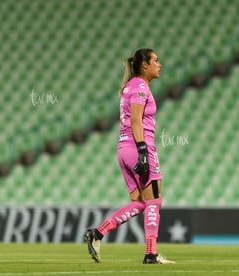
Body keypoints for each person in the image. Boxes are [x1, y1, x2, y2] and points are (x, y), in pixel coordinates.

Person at [84, 48, 175, 264]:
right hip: (138, 148)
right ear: (145, 65)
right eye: (156, 60)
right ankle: (150, 253)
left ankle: (97, 233)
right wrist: (143, 151)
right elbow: (136, 120)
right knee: (154, 201)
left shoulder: (129, 87)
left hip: (124, 149)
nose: (159, 64)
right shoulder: (141, 87)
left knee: (139, 203)